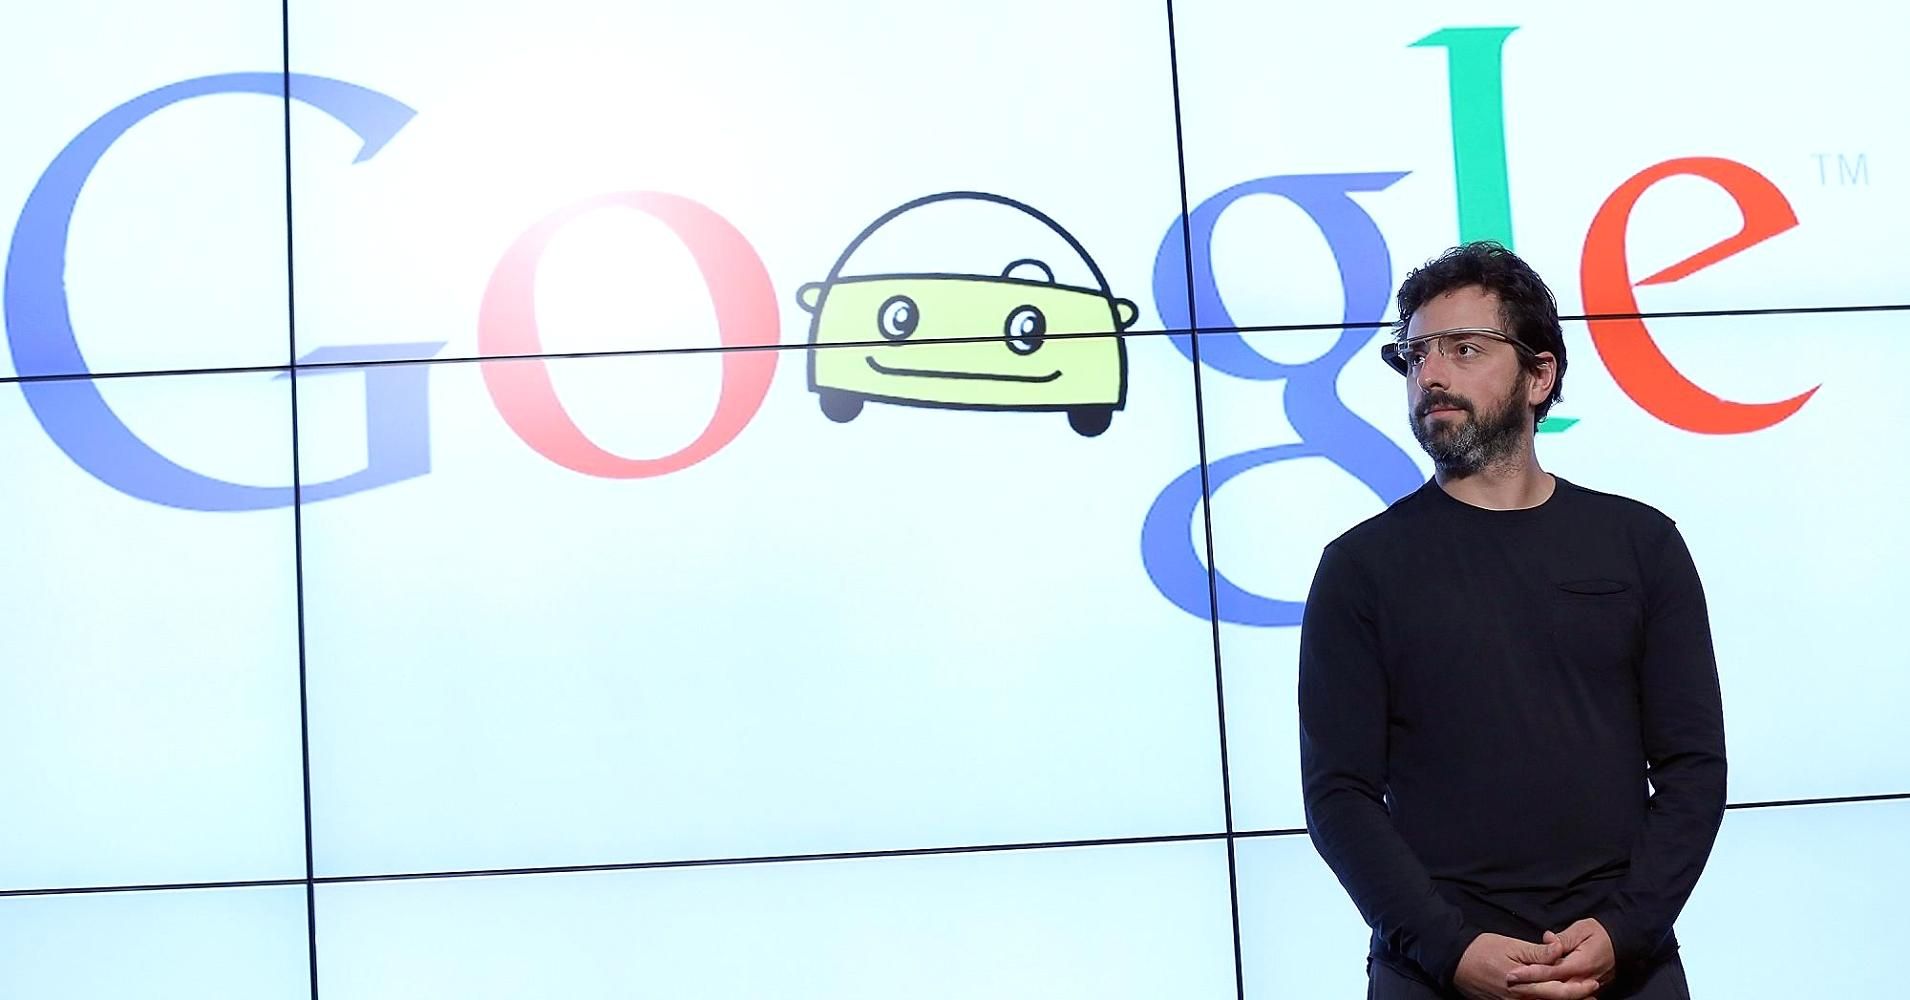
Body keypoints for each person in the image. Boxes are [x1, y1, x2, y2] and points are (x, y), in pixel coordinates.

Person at [1297, 241, 1727, 999]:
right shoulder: (1360, 567)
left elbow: (1693, 768)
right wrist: (1451, 949)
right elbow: (1339, 795)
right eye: (1416, 354)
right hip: (1436, 971)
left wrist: (1625, 929)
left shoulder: (1640, 543)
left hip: (1624, 965)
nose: (1430, 374)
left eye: (1463, 349)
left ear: (1539, 375)